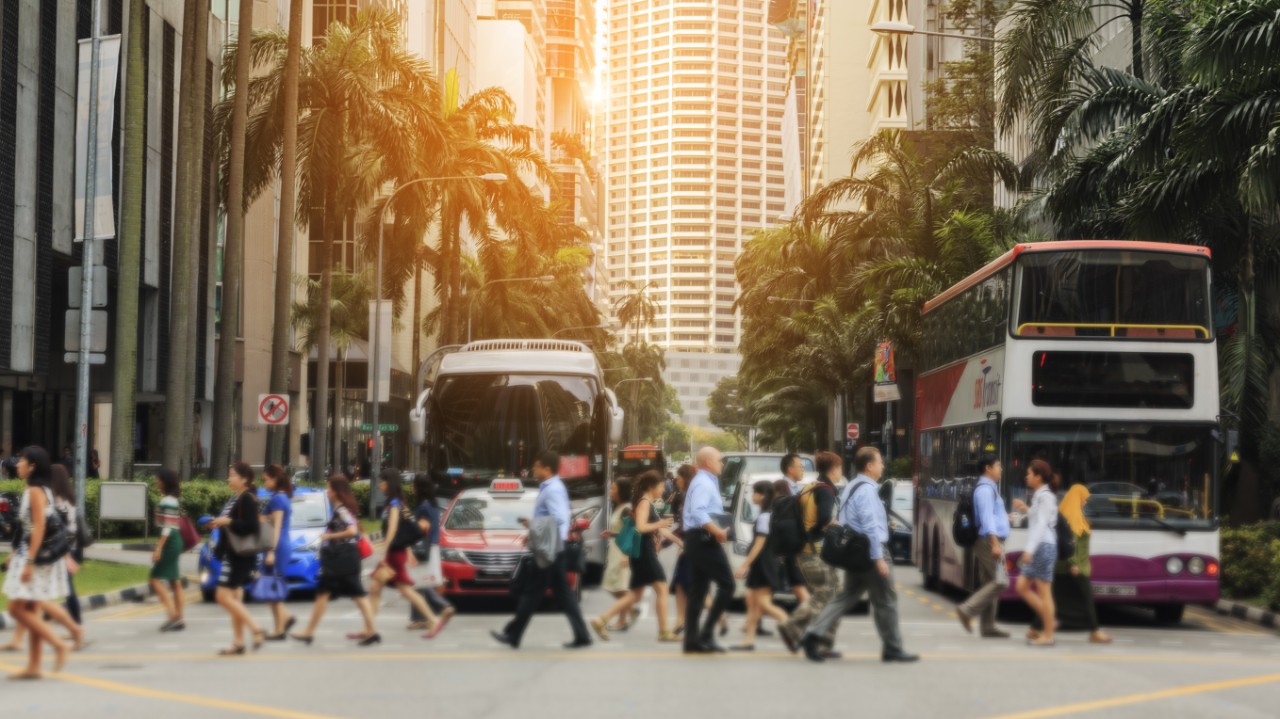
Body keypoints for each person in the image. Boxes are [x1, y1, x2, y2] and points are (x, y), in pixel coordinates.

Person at [800, 447, 917, 664]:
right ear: (869, 466)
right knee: (886, 600)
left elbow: (848, 520)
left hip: (856, 552)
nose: (883, 466)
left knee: (846, 596)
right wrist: (878, 558)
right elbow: (870, 526)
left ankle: (812, 634)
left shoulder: (852, 486)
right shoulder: (867, 491)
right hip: (871, 552)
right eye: (880, 462)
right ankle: (893, 648)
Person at [491, 450, 592, 650]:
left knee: (532, 593)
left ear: (546, 468)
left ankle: (513, 634)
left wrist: (533, 524)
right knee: (562, 595)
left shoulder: (553, 489)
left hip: (550, 551)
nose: (533, 470)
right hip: (553, 548)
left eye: (536, 466)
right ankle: (582, 636)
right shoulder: (551, 487)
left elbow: (559, 518)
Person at [2, 446, 71, 679]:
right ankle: (34, 665)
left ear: (32, 466)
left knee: (16, 609)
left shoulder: (35, 492)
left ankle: (58, 645)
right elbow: (29, 527)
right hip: (32, 555)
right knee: (31, 608)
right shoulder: (42, 489)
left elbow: (39, 526)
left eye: (21, 460)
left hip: (35, 559)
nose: (17, 464)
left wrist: (29, 561)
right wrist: (15, 554)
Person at [590, 471, 681, 642]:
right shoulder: (644, 502)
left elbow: (657, 529)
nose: (663, 490)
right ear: (651, 487)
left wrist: (678, 540)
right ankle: (664, 632)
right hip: (645, 552)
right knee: (661, 589)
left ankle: (601, 620)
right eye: (661, 486)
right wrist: (660, 523)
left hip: (642, 553)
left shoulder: (648, 503)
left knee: (635, 595)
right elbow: (640, 527)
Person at [291, 476, 379, 646]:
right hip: (344, 557)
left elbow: (352, 531)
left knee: (348, 594)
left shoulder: (342, 510)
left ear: (336, 491)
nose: (327, 492)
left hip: (341, 558)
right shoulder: (341, 508)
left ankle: (309, 632)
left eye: (329, 488)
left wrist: (329, 536)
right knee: (353, 594)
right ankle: (371, 631)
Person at [1031, 474, 1112, 644]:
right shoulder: (1073, 517)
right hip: (1074, 567)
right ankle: (1095, 631)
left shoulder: (1074, 515)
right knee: (1086, 597)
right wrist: (1074, 564)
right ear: (1078, 497)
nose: (1085, 502)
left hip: (1064, 567)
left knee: (1054, 597)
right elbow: (1071, 543)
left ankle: (1035, 628)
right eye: (1084, 499)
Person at [778, 450, 841, 658]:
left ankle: (824, 642)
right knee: (826, 595)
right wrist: (835, 524)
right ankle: (793, 628)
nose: (840, 472)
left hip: (807, 551)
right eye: (840, 467)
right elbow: (823, 519)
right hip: (813, 552)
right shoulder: (825, 491)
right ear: (834, 469)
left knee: (834, 596)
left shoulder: (811, 486)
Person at [365, 469, 437, 639]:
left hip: (393, 555)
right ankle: (370, 628)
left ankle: (433, 621)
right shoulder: (395, 503)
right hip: (395, 553)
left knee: (403, 590)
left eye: (382, 482)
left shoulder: (395, 504)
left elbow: (393, 529)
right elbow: (406, 529)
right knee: (381, 588)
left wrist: (384, 551)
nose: (380, 485)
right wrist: (409, 550)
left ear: (389, 483)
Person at [207, 462, 266, 656]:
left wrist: (228, 521)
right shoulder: (237, 498)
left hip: (238, 556)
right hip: (234, 553)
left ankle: (256, 629)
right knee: (235, 599)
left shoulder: (246, 498)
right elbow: (235, 524)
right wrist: (219, 523)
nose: (228, 478)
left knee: (222, 596)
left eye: (232, 475)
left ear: (244, 479)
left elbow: (251, 526)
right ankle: (238, 642)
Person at [681, 447, 734, 654]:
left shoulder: (704, 481)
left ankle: (692, 640)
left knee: (698, 591)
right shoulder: (703, 482)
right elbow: (698, 511)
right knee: (727, 585)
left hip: (697, 539)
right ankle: (705, 635)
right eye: (720, 460)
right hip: (703, 539)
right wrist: (717, 532)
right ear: (709, 463)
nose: (722, 464)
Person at [956, 454, 1012, 638]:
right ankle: (967, 609)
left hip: (989, 539)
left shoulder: (990, 489)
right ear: (988, 468)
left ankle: (988, 626)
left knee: (990, 581)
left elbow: (992, 516)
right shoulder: (985, 490)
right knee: (1001, 580)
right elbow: (987, 519)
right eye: (998, 465)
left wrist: (1006, 518)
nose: (1001, 469)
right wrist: (995, 544)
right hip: (989, 541)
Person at [732, 481, 790, 651]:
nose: (752, 496)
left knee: (763, 603)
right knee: (752, 602)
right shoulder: (766, 514)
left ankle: (793, 627)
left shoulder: (765, 516)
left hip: (764, 564)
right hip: (762, 564)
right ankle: (748, 640)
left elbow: (759, 544)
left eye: (755, 493)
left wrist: (744, 565)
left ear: (762, 495)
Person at [1014, 459, 1058, 647]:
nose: (1027, 477)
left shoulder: (1046, 496)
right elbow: (1037, 517)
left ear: (1038, 477)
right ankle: (1049, 621)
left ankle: (1048, 634)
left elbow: (1042, 524)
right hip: (1040, 546)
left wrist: (1029, 550)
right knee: (1021, 586)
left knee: (1043, 592)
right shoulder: (1039, 495)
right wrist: (1025, 509)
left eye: (1030, 474)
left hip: (1043, 546)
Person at [408, 473, 455, 639]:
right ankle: (420, 618)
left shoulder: (423, 507)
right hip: (432, 547)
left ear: (419, 488)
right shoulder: (433, 505)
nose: (412, 489)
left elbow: (422, 528)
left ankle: (440, 607)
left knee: (418, 582)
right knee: (419, 582)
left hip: (423, 548)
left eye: (414, 485)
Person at [47, 465, 87, 644]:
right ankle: (75, 627)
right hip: (69, 548)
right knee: (67, 590)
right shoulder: (69, 500)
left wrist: (65, 555)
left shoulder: (59, 503)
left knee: (68, 591)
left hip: (64, 550)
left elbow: (60, 531)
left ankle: (76, 628)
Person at [261, 465, 296, 640]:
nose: (264, 482)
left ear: (275, 479)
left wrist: (271, 552)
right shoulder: (281, 498)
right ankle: (282, 623)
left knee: (272, 587)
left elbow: (275, 527)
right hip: (281, 544)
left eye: (266, 479)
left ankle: (281, 627)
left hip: (277, 546)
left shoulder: (278, 499)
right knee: (270, 587)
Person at [150, 469, 186, 632]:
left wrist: (159, 548)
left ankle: (172, 615)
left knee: (155, 579)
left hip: (170, 541)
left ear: (165, 482)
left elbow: (167, 526)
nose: (157, 482)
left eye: (159, 479)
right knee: (174, 581)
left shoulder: (169, 501)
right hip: (172, 540)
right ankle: (179, 617)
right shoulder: (170, 499)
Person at [598, 479, 635, 631]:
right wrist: (612, 533)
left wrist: (626, 554)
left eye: (613, 488)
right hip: (615, 548)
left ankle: (622, 620)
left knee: (620, 585)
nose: (611, 491)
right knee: (612, 585)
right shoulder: (618, 506)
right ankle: (631, 610)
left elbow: (632, 531)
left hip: (621, 550)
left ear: (621, 490)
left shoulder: (627, 508)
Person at [668, 464, 696, 636]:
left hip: (690, 547)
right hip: (686, 545)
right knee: (680, 584)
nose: (676, 480)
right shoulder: (684, 495)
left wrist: (665, 542)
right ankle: (680, 621)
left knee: (692, 585)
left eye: (679, 477)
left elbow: (684, 526)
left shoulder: (689, 496)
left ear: (685, 478)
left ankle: (720, 616)